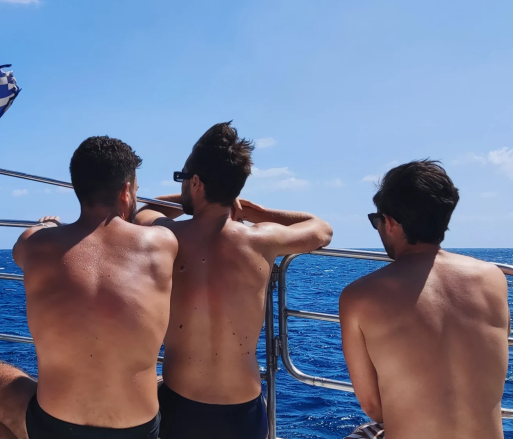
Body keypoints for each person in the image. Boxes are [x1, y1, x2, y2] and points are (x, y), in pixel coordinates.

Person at [0, 136, 177, 439]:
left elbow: (26, 244)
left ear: (78, 187)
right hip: (138, 430)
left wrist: (50, 226)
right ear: (126, 191)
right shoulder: (162, 243)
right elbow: (154, 215)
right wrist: (184, 199)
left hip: (54, 427)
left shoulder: (34, 245)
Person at [135, 122, 333, 439]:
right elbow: (322, 229)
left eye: (184, 178)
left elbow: (142, 212)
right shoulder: (261, 239)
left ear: (195, 182)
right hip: (244, 413)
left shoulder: (168, 236)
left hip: (182, 407)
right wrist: (253, 210)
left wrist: (189, 194)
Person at [339, 160, 510, 439]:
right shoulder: (494, 278)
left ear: (389, 222)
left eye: (376, 221)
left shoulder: (359, 296)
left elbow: (373, 407)